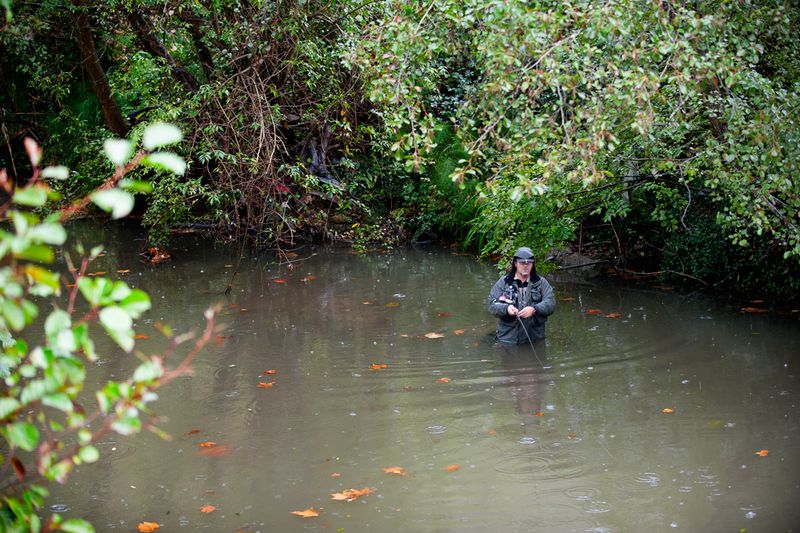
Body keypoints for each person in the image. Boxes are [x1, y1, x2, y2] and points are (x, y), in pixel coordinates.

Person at [487, 246, 556, 345]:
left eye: (529, 263)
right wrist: (506, 309)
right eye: (522, 263)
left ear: (533, 264)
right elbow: (491, 305)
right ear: (515, 263)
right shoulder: (504, 282)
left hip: (535, 339)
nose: (526, 266)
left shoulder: (541, 283)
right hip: (507, 340)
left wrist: (535, 309)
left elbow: (551, 303)